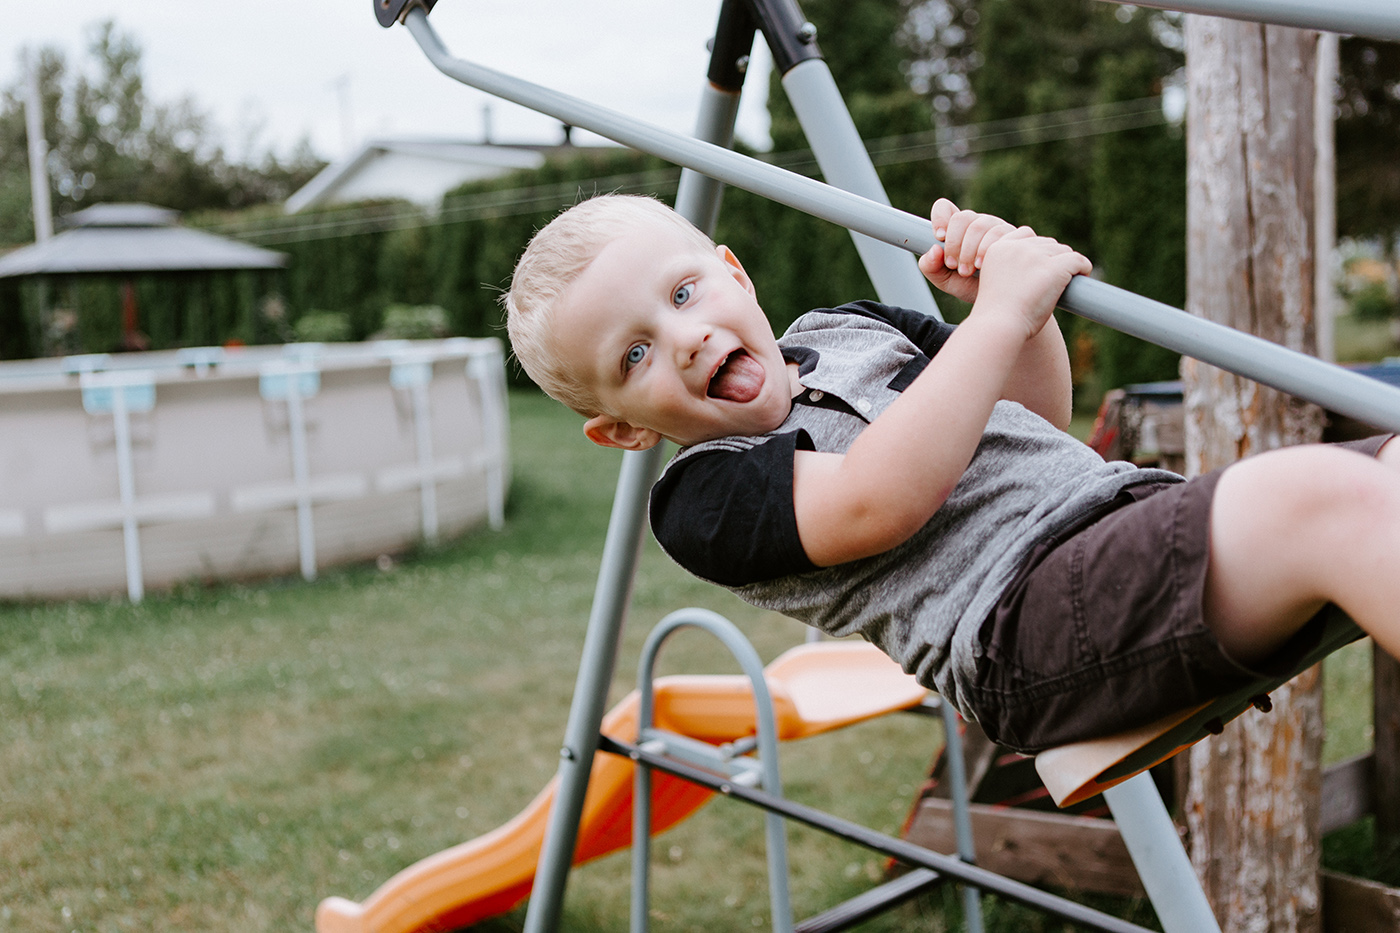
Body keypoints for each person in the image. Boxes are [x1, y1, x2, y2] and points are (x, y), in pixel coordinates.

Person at [503, 193, 1400, 754]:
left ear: (731, 272)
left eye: (685, 292)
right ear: (621, 430)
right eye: (634, 354)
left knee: (1388, 468)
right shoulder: (702, 496)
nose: (686, 335)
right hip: (1024, 623)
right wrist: (998, 315)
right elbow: (879, 499)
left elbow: (1030, 417)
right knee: (1320, 497)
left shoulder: (847, 325)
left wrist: (1015, 311)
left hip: (1116, 516)